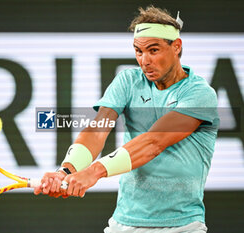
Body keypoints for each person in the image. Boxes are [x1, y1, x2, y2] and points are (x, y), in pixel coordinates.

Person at [34, 5, 219, 233]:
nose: (144, 60)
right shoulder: (128, 81)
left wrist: (93, 172)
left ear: (177, 47)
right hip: (123, 223)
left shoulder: (199, 94)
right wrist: (67, 171)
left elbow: (154, 142)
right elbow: (98, 129)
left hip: (182, 226)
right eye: (138, 51)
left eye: (153, 50)